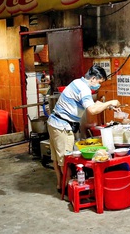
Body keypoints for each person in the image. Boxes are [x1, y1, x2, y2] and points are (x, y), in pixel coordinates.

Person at [47, 65, 120, 195]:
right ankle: (69, 191)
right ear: (92, 78)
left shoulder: (77, 82)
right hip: (62, 127)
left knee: (56, 159)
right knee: (66, 160)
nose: (99, 85)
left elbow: (93, 104)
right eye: (99, 82)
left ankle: (60, 185)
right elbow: (92, 110)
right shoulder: (84, 89)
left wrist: (108, 106)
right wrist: (110, 102)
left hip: (54, 123)